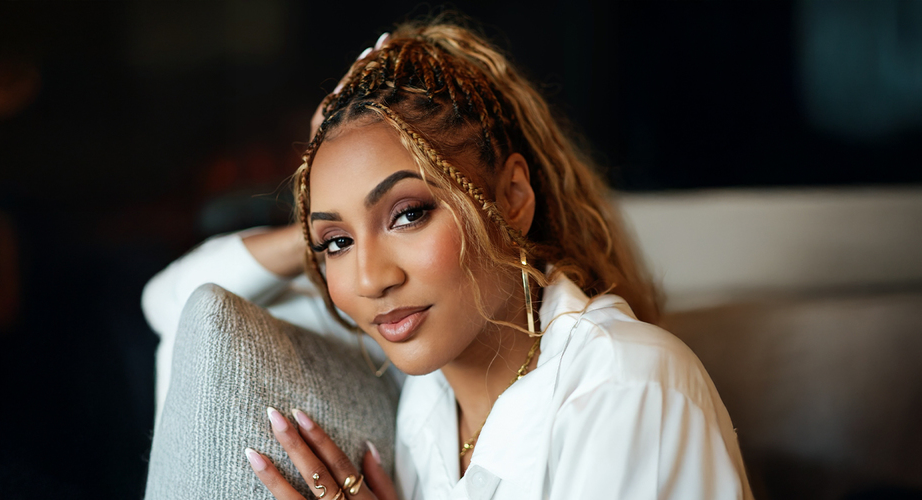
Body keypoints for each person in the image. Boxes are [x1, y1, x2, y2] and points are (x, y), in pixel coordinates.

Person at [142, 18, 753, 500]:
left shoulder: (626, 388)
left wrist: (339, 218)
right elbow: (178, 309)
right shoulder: (425, 396)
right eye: (337, 243)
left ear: (512, 197)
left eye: (408, 213)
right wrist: (313, 223)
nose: (371, 279)